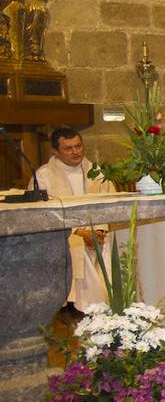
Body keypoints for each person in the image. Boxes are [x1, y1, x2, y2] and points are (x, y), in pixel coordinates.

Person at [29, 127, 116, 310]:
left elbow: (110, 204)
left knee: (110, 245)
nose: (75, 152)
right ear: (55, 151)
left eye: (78, 146)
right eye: (68, 148)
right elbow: (41, 215)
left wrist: (99, 230)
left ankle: (113, 301)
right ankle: (87, 306)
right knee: (78, 247)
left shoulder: (96, 172)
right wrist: (81, 232)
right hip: (65, 233)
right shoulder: (43, 176)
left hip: (97, 230)